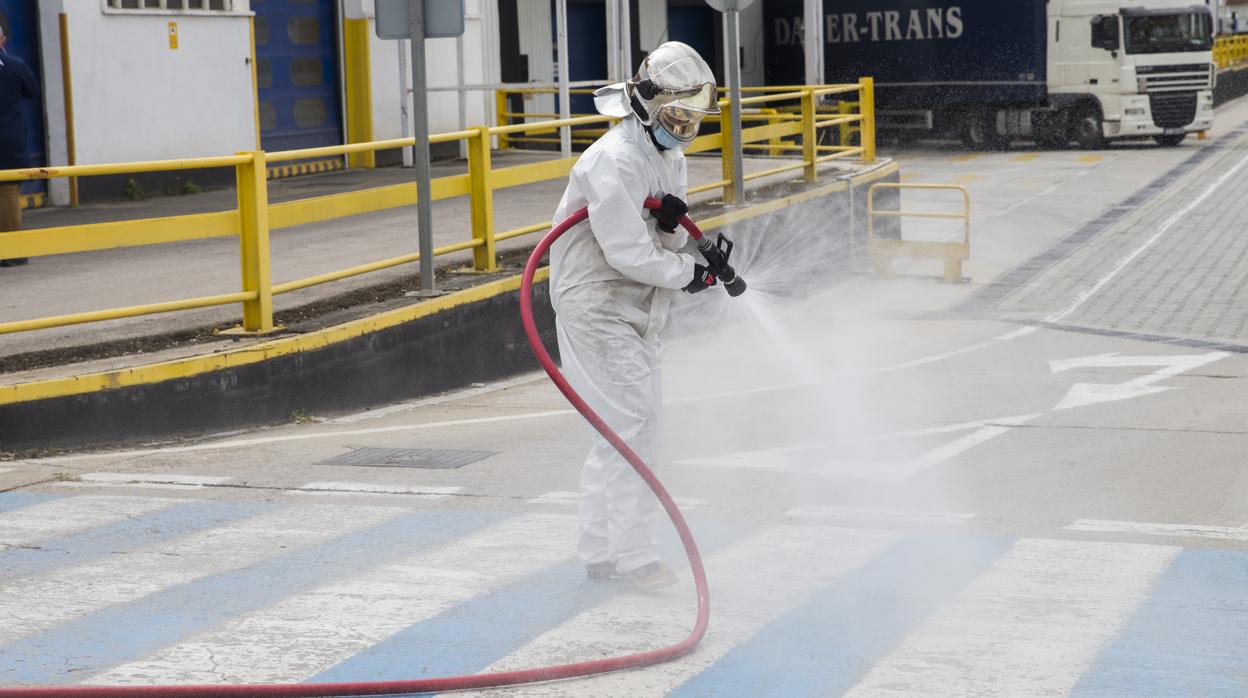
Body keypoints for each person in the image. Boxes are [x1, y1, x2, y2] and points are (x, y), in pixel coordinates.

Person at [549, 42, 720, 590]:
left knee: (620, 427)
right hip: (596, 301)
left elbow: (660, 238)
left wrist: (681, 237)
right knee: (636, 426)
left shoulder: (671, 156)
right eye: (676, 116)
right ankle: (635, 557)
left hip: (636, 306)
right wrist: (687, 274)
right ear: (647, 102)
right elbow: (625, 251)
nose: (684, 128)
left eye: (693, 119)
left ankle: (599, 550)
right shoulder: (613, 159)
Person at [0, 24, 39, 267]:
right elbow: (31, 92)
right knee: (7, 193)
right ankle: (10, 251)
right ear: (2, 39)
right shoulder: (15, 66)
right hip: (7, 139)